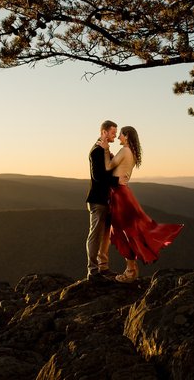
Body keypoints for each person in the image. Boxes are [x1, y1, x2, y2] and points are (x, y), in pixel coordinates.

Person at [99, 126, 184, 283]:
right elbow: (117, 168)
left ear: (127, 136)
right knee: (129, 231)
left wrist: (105, 150)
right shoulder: (131, 152)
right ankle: (131, 269)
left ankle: (130, 271)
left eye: (121, 135)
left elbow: (108, 167)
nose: (118, 138)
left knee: (123, 232)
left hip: (119, 195)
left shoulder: (125, 150)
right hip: (124, 193)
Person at [86, 120, 128, 281]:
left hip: (107, 200)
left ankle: (103, 268)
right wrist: (117, 182)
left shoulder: (104, 150)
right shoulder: (96, 151)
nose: (115, 136)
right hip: (98, 200)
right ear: (103, 132)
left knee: (105, 236)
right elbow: (98, 177)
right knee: (95, 235)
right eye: (112, 133)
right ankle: (93, 271)